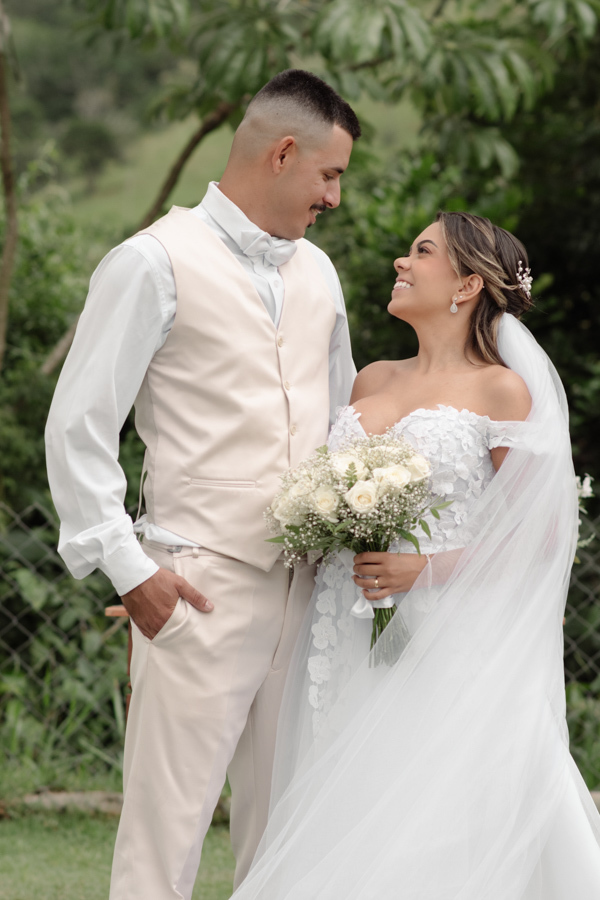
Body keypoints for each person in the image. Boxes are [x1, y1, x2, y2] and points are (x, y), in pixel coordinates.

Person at [44, 69, 361, 900]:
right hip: (195, 585)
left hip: (305, 591)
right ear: (283, 153)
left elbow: (338, 421)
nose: (333, 196)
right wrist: (131, 570)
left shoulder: (319, 274)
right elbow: (78, 426)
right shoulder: (151, 262)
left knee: (287, 828)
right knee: (165, 832)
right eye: (330, 175)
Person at [230, 212, 600, 899]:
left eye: (420, 252)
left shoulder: (502, 391)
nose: (401, 263)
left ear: (465, 285)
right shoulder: (371, 380)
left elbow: (537, 535)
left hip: (449, 634)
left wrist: (421, 569)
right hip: (347, 621)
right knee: (350, 790)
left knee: (431, 802)